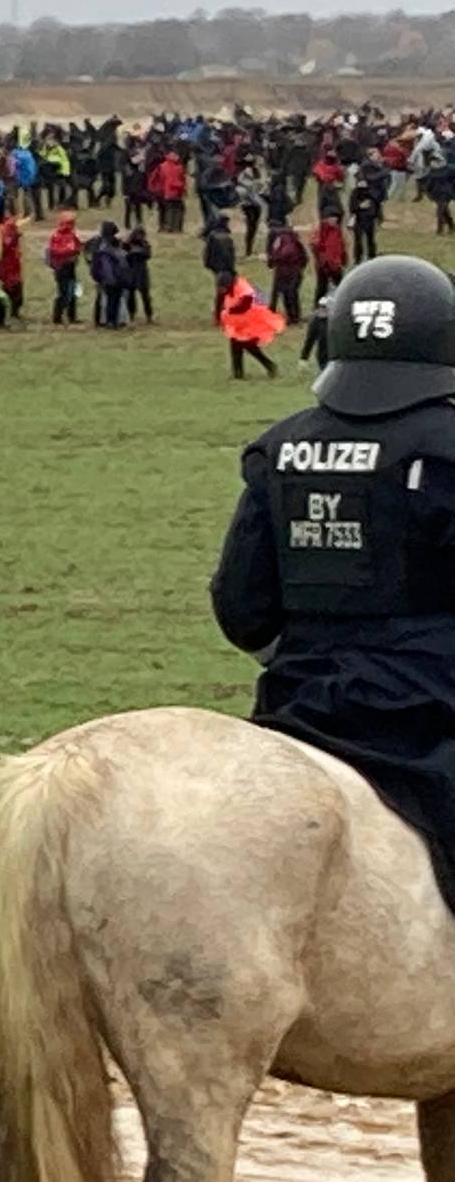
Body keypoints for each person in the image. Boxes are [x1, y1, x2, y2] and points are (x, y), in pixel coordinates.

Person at [213, 256, 455, 908]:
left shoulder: (279, 448)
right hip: (430, 721)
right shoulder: (446, 449)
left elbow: (241, 609)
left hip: (298, 708)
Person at [221, 273, 284, 380]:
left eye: (223, 288)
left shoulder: (242, 286)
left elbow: (245, 304)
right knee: (236, 345)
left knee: (247, 346)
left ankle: (269, 366)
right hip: (239, 321)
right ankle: (239, 373)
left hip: (252, 319)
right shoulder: (229, 289)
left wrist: (230, 311)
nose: (221, 291)